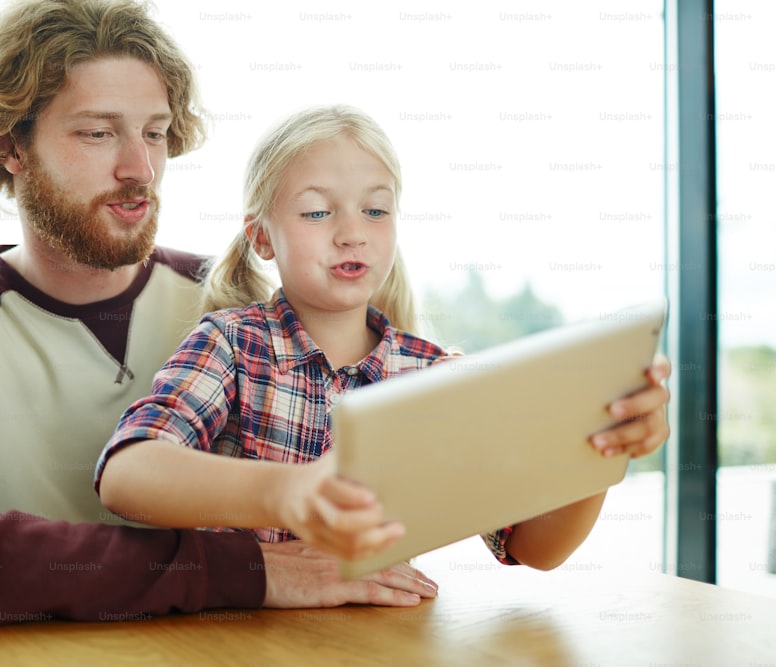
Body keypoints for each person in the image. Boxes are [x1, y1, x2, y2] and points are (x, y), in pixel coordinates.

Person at [0, 0, 440, 645]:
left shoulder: (235, 307)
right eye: (97, 133)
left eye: (154, 133)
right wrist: (241, 571)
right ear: (11, 143)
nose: (140, 169)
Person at [96, 105, 672, 569]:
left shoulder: (438, 377)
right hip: (243, 640)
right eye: (318, 213)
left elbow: (532, 548)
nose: (352, 234)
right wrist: (291, 491)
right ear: (261, 237)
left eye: (376, 211)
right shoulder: (232, 344)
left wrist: (601, 448)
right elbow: (127, 474)